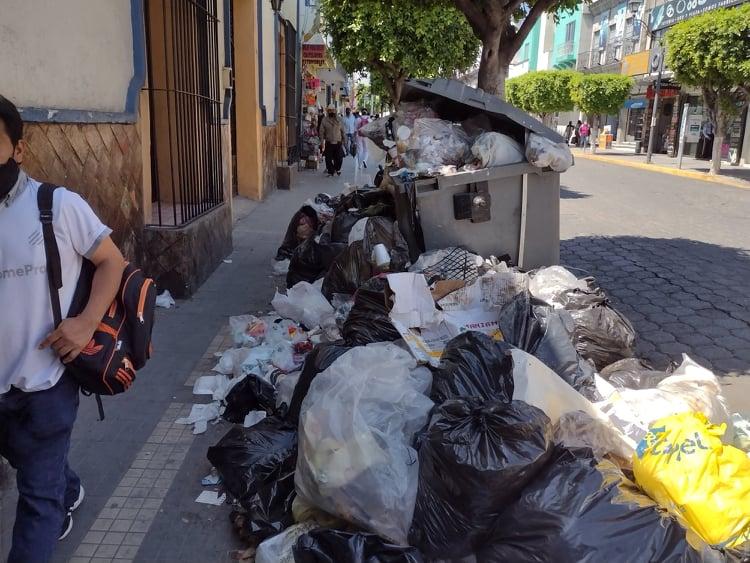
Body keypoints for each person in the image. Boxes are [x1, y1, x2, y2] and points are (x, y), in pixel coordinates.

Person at [0, 95, 127, 562]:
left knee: (35, 506)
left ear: (18, 149)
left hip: (47, 383)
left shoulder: (54, 205)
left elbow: (112, 261)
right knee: (35, 466)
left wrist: (86, 322)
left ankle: (53, 497)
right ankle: (64, 486)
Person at [319, 104, 346, 176]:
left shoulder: (339, 119)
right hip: (329, 142)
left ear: (335, 111)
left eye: (332, 110)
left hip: (338, 142)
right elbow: (321, 132)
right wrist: (322, 142)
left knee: (339, 158)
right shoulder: (324, 120)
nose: (331, 112)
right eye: (329, 110)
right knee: (328, 159)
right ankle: (331, 171)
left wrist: (344, 141)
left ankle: (337, 169)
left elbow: (343, 131)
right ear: (328, 111)